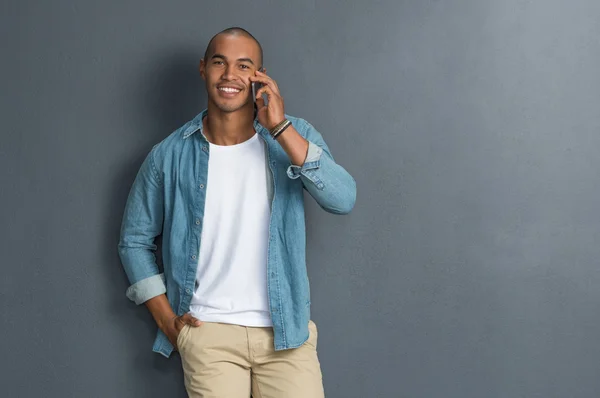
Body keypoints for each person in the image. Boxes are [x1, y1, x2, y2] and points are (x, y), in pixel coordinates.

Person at [118, 26, 356, 397]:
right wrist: (168, 322)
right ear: (203, 69)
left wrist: (279, 128)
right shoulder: (168, 155)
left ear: (260, 76)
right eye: (219, 63)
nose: (230, 75)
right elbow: (134, 240)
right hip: (208, 334)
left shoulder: (295, 135)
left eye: (244, 66)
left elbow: (343, 199)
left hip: (286, 334)